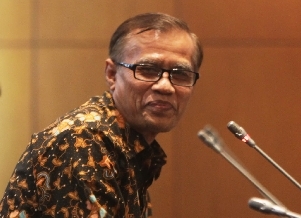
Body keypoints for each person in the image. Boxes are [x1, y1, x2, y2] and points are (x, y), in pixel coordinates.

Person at [1, 13, 203, 218]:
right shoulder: (84, 140)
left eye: (180, 74)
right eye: (147, 70)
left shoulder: (133, 148)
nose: (165, 86)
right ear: (112, 74)